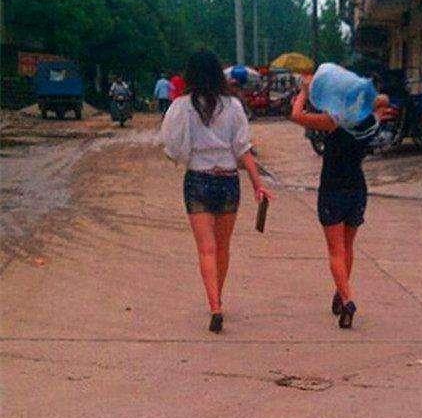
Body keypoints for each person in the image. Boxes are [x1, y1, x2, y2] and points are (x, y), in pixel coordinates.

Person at [159, 50, 273, 334]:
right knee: (222, 248)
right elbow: (243, 149)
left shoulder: (182, 106)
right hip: (228, 181)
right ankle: (218, 297)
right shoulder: (233, 106)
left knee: (206, 249)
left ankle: (214, 306)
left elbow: (171, 145)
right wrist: (258, 184)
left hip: (198, 180)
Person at [289, 75, 377, 329]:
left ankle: (347, 300)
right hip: (357, 188)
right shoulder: (369, 121)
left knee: (335, 250)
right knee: (348, 246)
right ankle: (341, 291)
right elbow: (381, 101)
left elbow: (296, 115)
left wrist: (304, 92)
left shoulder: (333, 122)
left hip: (333, 189)